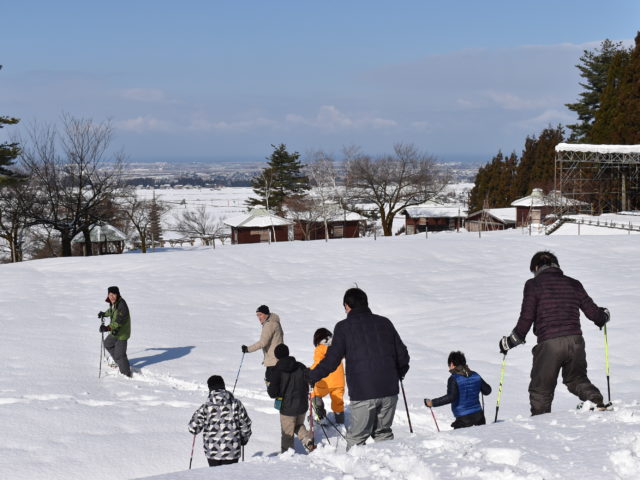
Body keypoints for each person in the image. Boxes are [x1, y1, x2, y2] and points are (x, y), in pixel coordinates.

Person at [499, 251, 611, 415]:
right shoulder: (574, 283)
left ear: (536, 267)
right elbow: (594, 314)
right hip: (576, 341)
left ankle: (541, 423)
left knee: (541, 389)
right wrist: (604, 316)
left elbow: (526, 317)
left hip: (549, 344)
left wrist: (510, 341)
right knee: (576, 379)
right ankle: (596, 401)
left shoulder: (533, 284)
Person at [309, 287, 410, 450]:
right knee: (383, 434)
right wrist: (398, 374)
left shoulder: (343, 327)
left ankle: (357, 474)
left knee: (357, 440)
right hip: (390, 390)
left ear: (347, 306)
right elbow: (403, 356)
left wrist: (312, 376)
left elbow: (332, 360)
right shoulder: (385, 323)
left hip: (363, 392)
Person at [188, 375, 252, 467]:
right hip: (232, 450)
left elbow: (193, 428)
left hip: (213, 452)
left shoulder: (206, 407)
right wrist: (244, 439)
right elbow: (245, 425)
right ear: (223, 386)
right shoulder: (236, 404)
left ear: (210, 388)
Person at [267, 344, 315, 453]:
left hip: (287, 408)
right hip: (302, 405)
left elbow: (272, 393)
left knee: (287, 433)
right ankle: (307, 440)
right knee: (298, 425)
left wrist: (271, 386)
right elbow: (311, 378)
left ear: (277, 356)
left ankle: (287, 457)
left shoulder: (277, 370)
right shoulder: (300, 366)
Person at [424, 351, 491, 429]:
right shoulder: (475, 375)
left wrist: (432, 403)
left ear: (452, 364)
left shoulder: (454, 379)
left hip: (463, 420)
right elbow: (487, 391)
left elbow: (451, 397)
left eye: (449, 365)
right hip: (480, 418)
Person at [241, 305, 283, 386]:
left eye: (260, 314)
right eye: (257, 315)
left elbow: (263, 342)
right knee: (277, 386)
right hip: (277, 360)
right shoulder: (274, 322)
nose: (259, 317)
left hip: (273, 361)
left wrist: (247, 349)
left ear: (266, 314)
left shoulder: (269, 324)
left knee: (273, 387)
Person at [310, 328, 345, 424]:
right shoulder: (337, 347)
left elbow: (318, 364)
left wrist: (309, 372)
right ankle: (340, 421)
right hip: (339, 381)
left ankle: (321, 417)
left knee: (315, 394)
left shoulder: (320, 348)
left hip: (325, 381)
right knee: (338, 401)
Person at [98, 286, 132, 377]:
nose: (111, 297)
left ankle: (126, 374)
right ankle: (119, 362)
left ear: (117, 295)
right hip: (115, 331)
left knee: (120, 355)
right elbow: (111, 310)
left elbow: (119, 321)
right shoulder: (114, 303)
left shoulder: (122, 305)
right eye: (110, 294)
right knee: (107, 343)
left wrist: (107, 328)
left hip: (122, 334)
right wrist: (104, 314)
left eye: (114, 294)